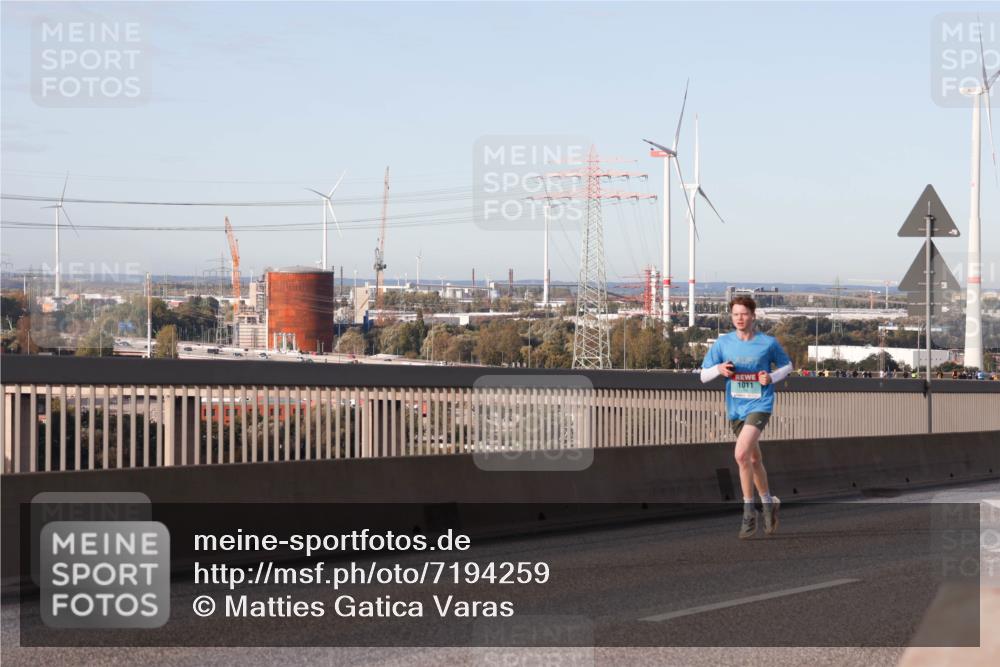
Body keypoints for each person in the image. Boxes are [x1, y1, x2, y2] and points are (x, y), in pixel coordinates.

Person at [700, 296, 793, 539]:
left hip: (760, 404)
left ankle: (748, 511)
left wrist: (771, 377)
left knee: (740, 454)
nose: (739, 318)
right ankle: (769, 502)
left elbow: (787, 366)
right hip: (736, 408)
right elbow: (703, 375)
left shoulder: (767, 343)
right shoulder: (723, 343)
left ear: (753, 316)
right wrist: (718, 369)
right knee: (753, 459)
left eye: (744, 314)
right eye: (735, 315)